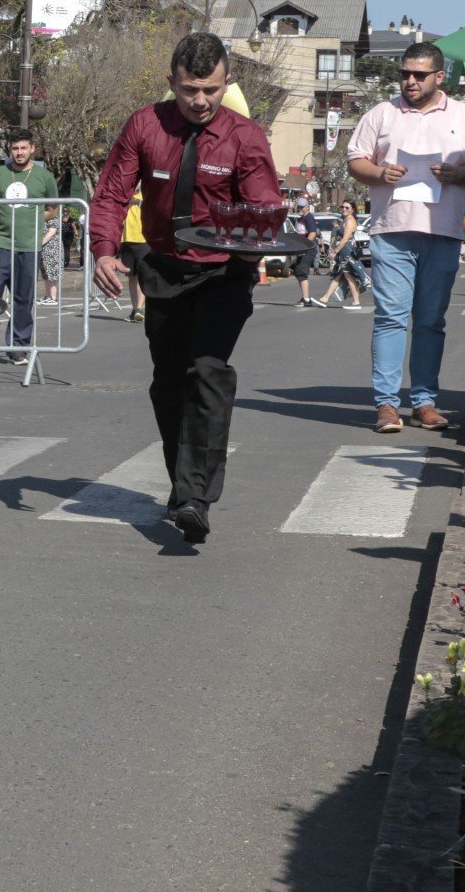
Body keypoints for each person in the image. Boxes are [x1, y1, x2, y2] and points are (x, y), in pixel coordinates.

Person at [90, 32, 281, 546]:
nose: (200, 101)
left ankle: (195, 497)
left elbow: (264, 209)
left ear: (226, 84)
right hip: (164, 269)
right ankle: (183, 486)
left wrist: (253, 244)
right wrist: (104, 251)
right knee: (169, 381)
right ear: (172, 81)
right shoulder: (145, 125)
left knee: (207, 372)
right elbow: (111, 192)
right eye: (190, 89)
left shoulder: (245, 136)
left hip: (224, 272)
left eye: (212, 90)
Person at [346, 40, 465, 434]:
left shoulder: (463, 116)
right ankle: (386, 405)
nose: (409, 81)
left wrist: (458, 174)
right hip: (392, 230)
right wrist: (378, 174)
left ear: (439, 76)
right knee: (391, 318)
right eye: (404, 74)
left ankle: (425, 401)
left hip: (441, 231)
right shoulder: (382, 113)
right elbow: (355, 159)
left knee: (430, 320)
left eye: (418, 74)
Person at [0, 129, 57, 360]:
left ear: (32, 149)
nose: (19, 152)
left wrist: (34, 217)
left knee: (23, 300)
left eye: (24, 148)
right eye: (15, 148)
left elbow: (53, 209)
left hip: (29, 246)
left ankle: (18, 347)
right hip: (1, 244)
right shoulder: (2, 172)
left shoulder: (45, 177)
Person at [315, 199, 371, 311]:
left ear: (352, 210)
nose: (344, 209)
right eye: (342, 207)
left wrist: (334, 251)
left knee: (347, 275)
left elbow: (345, 239)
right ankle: (325, 299)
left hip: (347, 250)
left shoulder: (350, 220)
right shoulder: (345, 220)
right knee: (340, 274)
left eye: (347, 208)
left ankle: (355, 302)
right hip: (344, 250)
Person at [122, 187, 148, 322]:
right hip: (126, 240)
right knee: (131, 277)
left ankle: (140, 308)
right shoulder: (122, 195)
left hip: (143, 240)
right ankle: (134, 309)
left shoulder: (146, 194)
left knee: (143, 276)